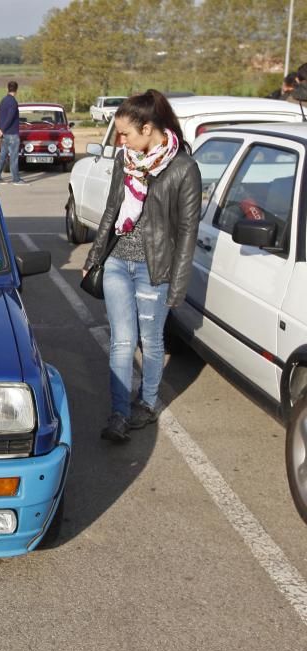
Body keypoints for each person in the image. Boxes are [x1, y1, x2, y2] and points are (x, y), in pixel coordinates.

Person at [81, 89, 201, 443]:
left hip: (155, 270)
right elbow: (111, 210)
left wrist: (177, 285)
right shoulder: (125, 160)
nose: (122, 140)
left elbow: (187, 231)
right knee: (121, 342)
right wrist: (94, 258)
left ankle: (146, 404)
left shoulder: (184, 169)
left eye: (126, 134)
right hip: (118, 263)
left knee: (150, 342)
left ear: (148, 128)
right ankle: (118, 414)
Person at [0, 80, 26, 185]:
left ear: (7, 88)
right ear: (16, 90)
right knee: (14, 157)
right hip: (12, 133)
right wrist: (2, 129)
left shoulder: (3, 100)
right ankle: (16, 179)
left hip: (4, 133)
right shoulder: (13, 102)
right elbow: (10, 117)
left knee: (2, 155)